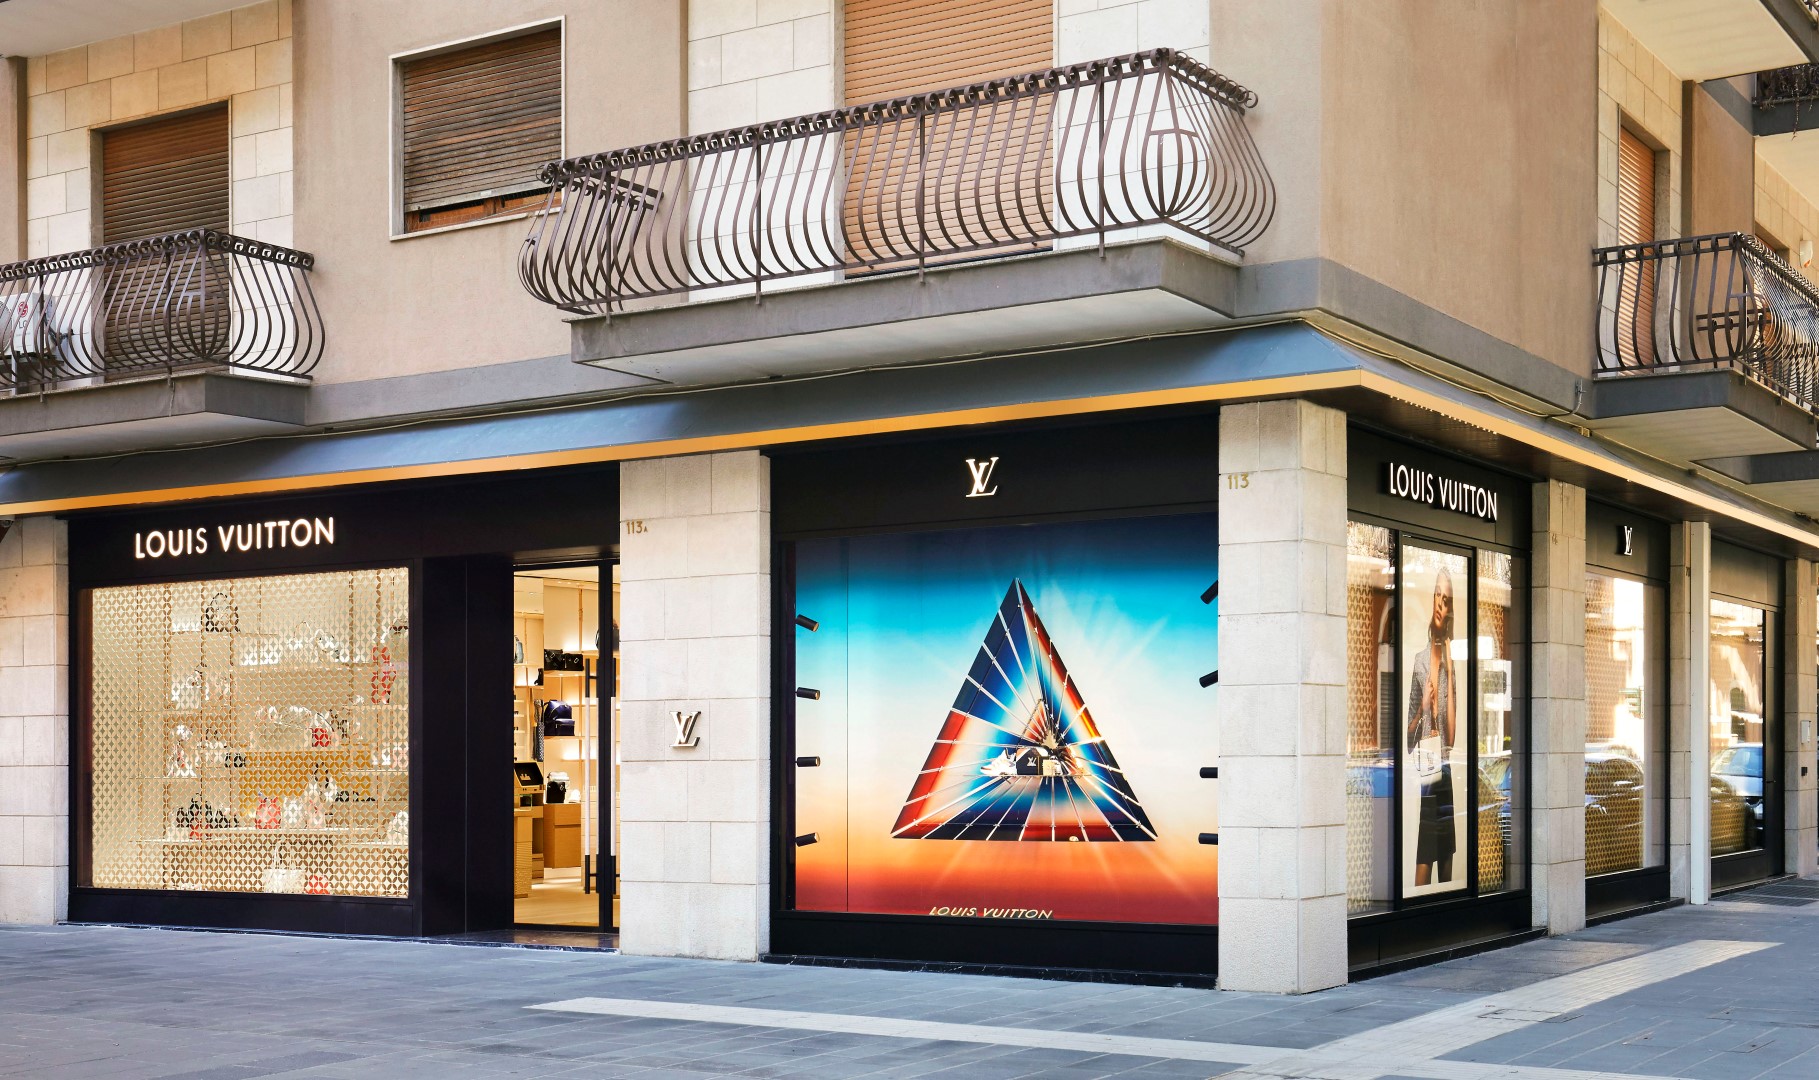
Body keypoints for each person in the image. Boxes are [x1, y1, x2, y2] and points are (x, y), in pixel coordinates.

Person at [1406, 565, 1458, 887]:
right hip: (1427, 771)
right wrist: (1424, 707)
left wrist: (1451, 673)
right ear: (1432, 600)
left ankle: (1447, 907)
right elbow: (1408, 737)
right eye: (1437, 595)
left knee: (1447, 855)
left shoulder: (1452, 665)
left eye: (1447, 598)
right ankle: (1417, 912)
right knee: (1426, 854)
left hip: (1447, 770)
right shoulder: (1419, 661)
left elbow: (1452, 736)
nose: (1441, 603)